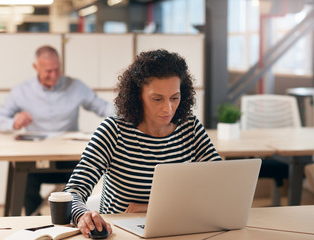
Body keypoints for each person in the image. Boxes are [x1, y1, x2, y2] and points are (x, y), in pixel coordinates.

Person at [64, 49, 222, 238]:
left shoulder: (190, 128)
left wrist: (149, 209)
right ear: (137, 95)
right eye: (157, 99)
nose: (168, 108)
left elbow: (219, 185)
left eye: (175, 97)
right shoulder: (113, 131)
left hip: (177, 231)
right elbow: (73, 191)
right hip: (122, 234)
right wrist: (83, 215)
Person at [0, 45, 115, 216]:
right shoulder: (22, 91)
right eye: (48, 71)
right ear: (36, 67)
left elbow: (103, 108)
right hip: (37, 160)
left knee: (89, 180)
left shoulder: (75, 86)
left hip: (70, 160)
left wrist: (132, 113)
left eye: (57, 70)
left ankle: (77, 219)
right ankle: (34, 222)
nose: (54, 76)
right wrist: (14, 122)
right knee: (26, 183)